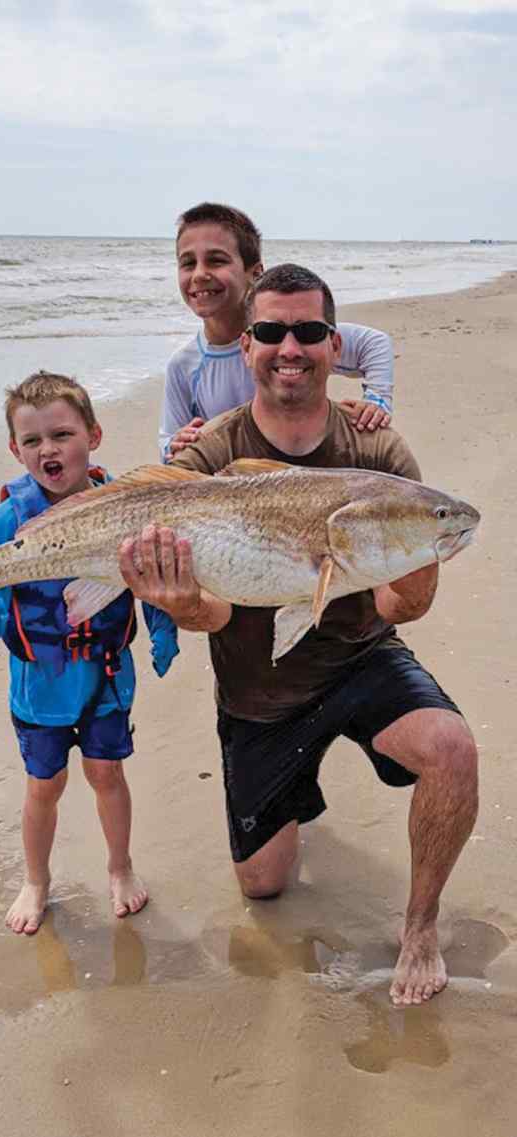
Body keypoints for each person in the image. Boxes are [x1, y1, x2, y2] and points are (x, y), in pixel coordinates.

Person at [121, 265, 478, 1008]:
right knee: (264, 886)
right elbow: (214, 615)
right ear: (247, 344)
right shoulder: (211, 450)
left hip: (359, 657)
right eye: (274, 332)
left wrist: (418, 562)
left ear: (332, 343)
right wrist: (182, 603)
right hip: (259, 688)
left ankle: (419, 926)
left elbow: (402, 607)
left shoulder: (378, 452)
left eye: (309, 332)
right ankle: (289, 801)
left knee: (452, 749)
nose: (292, 347)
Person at [0, 371, 178, 935]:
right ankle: (36, 879)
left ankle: (120, 866)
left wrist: (163, 633)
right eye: (32, 441)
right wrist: (7, 633)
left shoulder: (130, 507)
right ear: (15, 449)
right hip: (39, 685)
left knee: (108, 772)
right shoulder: (7, 520)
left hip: (107, 677)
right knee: (45, 786)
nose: (48, 449)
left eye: (62, 434)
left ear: (94, 435)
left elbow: (152, 580)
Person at [159, 202, 394, 460]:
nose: (200, 274)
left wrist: (376, 400)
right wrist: (174, 444)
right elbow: (168, 446)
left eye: (216, 261)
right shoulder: (184, 365)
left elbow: (374, 344)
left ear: (256, 272)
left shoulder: (296, 335)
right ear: (246, 347)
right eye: (188, 263)